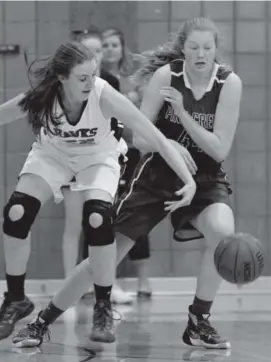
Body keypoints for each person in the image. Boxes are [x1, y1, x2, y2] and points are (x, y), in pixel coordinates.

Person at [12, 16, 242, 349]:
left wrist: (184, 117)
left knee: (225, 234)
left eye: (207, 47)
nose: (200, 53)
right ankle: (40, 322)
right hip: (157, 177)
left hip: (205, 177)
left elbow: (219, 148)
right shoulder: (167, 77)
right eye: (193, 46)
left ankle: (198, 320)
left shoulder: (228, 83)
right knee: (104, 257)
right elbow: (142, 138)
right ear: (183, 48)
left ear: (216, 49)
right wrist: (171, 143)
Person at [0, 40, 197, 343]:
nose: (90, 83)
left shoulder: (104, 94)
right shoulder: (43, 96)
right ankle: (15, 299)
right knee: (16, 213)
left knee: (97, 218)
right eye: (82, 78)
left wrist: (189, 180)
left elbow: (155, 136)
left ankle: (103, 306)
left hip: (99, 158)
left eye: (93, 75)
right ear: (61, 78)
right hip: (52, 156)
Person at [61, 28, 133, 304]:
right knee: (72, 225)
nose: (95, 55)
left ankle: (105, 283)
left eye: (99, 50)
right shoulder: (66, 82)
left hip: (101, 162)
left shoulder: (109, 81)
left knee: (102, 225)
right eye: (88, 51)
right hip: (70, 158)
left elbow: (117, 124)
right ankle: (68, 289)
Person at [102, 27, 152, 298]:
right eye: (104, 45)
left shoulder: (132, 81)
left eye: (113, 45)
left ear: (122, 48)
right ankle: (103, 280)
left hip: (130, 152)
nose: (109, 50)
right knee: (102, 215)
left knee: (136, 212)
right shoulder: (93, 80)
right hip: (104, 153)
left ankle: (144, 281)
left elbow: (145, 120)